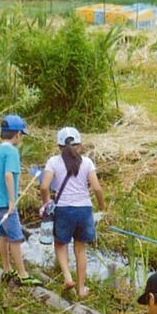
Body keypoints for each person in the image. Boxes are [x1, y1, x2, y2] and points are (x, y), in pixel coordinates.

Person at [39, 127, 106, 299]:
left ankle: (68, 278)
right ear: (80, 146)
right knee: (80, 249)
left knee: (61, 244)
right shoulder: (87, 162)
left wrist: (46, 203)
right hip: (84, 209)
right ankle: (81, 289)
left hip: (63, 209)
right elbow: (97, 188)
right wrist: (102, 206)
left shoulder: (53, 162)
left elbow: (44, 186)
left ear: (59, 146)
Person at [0, 114, 41, 287]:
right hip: (5, 202)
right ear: (17, 134)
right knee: (16, 238)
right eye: (21, 135)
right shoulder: (12, 151)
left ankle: (6, 268)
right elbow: (8, 175)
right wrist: (12, 200)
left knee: (2, 235)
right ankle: (22, 274)